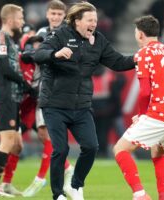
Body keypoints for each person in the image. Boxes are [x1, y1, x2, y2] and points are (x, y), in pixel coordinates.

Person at [34, 2, 135, 200]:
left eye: (96, 20)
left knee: (91, 147)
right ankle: (57, 195)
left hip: (81, 106)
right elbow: (39, 54)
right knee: (61, 150)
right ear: (77, 21)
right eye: (90, 20)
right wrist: (55, 54)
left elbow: (117, 62)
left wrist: (138, 58)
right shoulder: (60, 35)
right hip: (54, 104)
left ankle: (76, 185)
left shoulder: (98, 39)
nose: (94, 24)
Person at [113, 15, 164, 200]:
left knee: (121, 149)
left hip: (162, 110)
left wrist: (141, 114)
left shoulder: (144, 54)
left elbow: (145, 92)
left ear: (140, 34)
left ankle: (140, 194)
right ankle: (163, 198)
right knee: (158, 152)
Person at [23, 0, 75, 197]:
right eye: (52, 14)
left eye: (59, 14)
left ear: (64, 16)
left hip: (57, 87)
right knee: (45, 134)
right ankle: (67, 168)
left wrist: (37, 54)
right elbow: (34, 54)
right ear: (47, 14)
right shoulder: (41, 32)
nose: (55, 17)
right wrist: (32, 53)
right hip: (43, 86)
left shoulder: (68, 34)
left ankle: (41, 178)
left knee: (49, 132)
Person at [0, 4, 29, 197]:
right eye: (20, 18)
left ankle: (7, 183)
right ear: (10, 20)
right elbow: (3, 66)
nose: (23, 21)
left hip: (14, 96)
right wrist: (24, 82)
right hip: (5, 94)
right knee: (8, 140)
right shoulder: (0, 37)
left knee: (17, 145)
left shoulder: (11, 40)